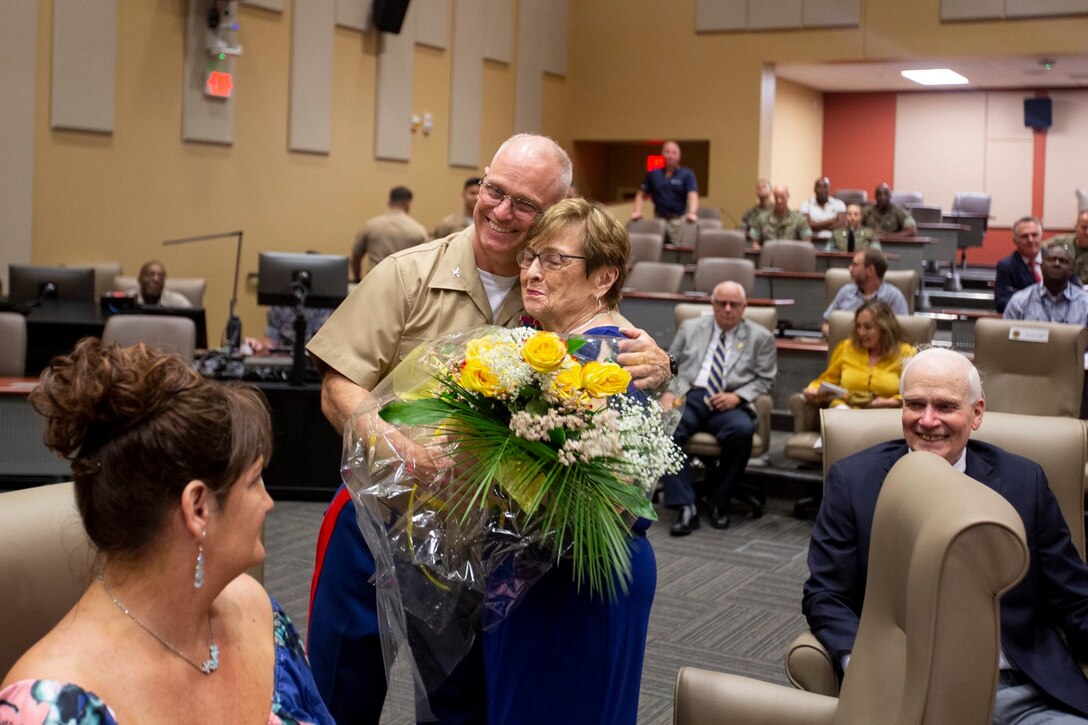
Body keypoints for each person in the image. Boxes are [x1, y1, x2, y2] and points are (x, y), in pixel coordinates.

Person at [304, 133, 670, 724]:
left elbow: (601, 347)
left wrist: (659, 361)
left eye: (524, 205)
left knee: (460, 696)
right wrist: (399, 448)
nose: (501, 212)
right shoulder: (408, 275)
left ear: (557, 206)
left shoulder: (550, 296)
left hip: (483, 543)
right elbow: (336, 388)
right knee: (343, 681)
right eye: (493, 191)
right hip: (380, 515)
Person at [0, 339, 333, 724]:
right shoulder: (50, 711)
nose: (268, 503)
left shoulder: (259, 613)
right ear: (197, 508)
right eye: (255, 480)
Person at [803, 347, 1088, 722]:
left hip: (1020, 692)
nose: (927, 420)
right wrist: (868, 666)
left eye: (945, 406)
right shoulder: (854, 482)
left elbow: (1074, 598)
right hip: (909, 692)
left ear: (977, 414)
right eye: (915, 404)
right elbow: (825, 595)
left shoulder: (1024, 482)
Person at [483, 197, 652, 724]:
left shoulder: (610, 358)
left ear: (603, 278)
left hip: (581, 578)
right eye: (529, 256)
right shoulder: (551, 346)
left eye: (553, 259)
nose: (532, 271)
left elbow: (614, 496)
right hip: (538, 571)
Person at [660, 281, 777, 535]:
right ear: (712, 305)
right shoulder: (691, 328)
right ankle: (686, 505)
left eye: (733, 304)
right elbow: (670, 364)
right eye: (721, 303)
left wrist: (738, 397)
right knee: (667, 426)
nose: (726, 309)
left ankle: (720, 502)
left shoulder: (761, 337)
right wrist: (669, 393)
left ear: (744, 307)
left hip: (729, 400)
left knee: (742, 431)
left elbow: (765, 380)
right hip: (692, 395)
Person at [803, 300, 913, 410]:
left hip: (884, 413)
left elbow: (914, 391)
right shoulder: (846, 347)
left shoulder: (905, 353)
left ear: (885, 328)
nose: (861, 332)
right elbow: (828, 380)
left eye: (868, 327)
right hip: (845, 410)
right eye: (858, 326)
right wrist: (813, 388)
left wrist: (892, 402)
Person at [822, 248, 909, 337]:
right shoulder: (846, 291)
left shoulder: (894, 297)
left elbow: (901, 333)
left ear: (870, 270)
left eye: (855, 265)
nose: (850, 268)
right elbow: (826, 324)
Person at [350, 185, 429, 281]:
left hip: (374, 284)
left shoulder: (371, 225)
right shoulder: (418, 230)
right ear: (408, 204)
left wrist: (358, 280)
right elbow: (426, 264)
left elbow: (356, 258)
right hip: (403, 287)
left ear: (389, 202)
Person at [630, 140, 699, 244]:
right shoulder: (653, 173)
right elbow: (641, 194)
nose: (670, 156)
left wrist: (692, 212)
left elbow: (692, 194)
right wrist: (637, 211)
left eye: (674, 153)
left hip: (678, 220)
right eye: (667, 152)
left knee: (677, 249)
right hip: (658, 218)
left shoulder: (687, 174)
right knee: (656, 247)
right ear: (662, 154)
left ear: (679, 156)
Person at [1003, 244, 1088, 325]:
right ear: (1041, 266)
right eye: (1051, 259)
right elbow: (1004, 337)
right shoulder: (1020, 301)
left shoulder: (1085, 302)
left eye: (1062, 261)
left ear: (1071, 271)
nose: (1056, 264)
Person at [995, 215, 1044, 313]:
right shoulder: (1007, 266)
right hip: (1024, 322)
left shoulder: (1057, 261)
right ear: (1015, 241)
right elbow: (1002, 302)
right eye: (1024, 236)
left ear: (1041, 237)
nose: (1030, 240)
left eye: (1034, 235)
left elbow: (1075, 293)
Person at [246, 305, 333, 354]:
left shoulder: (331, 305)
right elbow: (270, 344)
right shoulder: (279, 306)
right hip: (288, 361)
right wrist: (259, 347)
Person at [748, 185, 812, 250]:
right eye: (776, 197)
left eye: (782, 197)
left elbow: (806, 243)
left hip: (791, 256)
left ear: (788, 196)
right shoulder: (762, 218)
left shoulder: (799, 220)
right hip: (768, 257)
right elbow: (754, 243)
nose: (779, 201)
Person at [1046, 210, 1088, 285]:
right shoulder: (1060, 242)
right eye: (1084, 227)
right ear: (1076, 227)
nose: (1087, 232)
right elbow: (1037, 250)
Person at [128, 260, 192, 308]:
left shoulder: (178, 302)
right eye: (150, 275)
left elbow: (193, 321)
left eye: (161, 276)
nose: (156, 279)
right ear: (140, 279)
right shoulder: (127, 299)